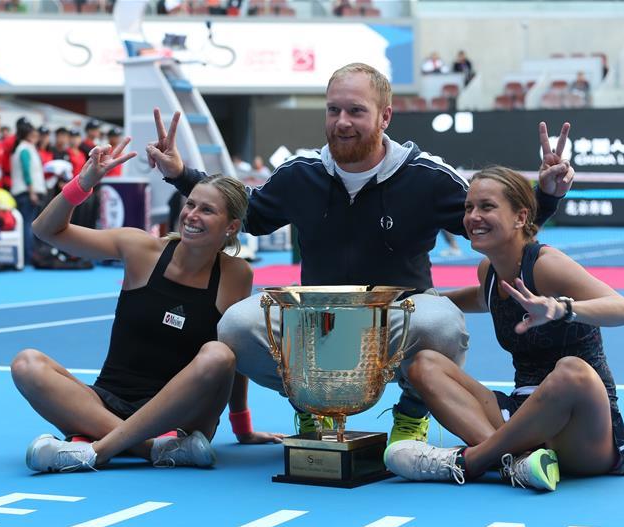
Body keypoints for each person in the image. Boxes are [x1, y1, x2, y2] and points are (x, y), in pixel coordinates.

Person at [146, 62, 574, 444]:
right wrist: (181, 175)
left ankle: (412, 414)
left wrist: (546, 196)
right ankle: (309, 405)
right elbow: (250, 215)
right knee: (236, 325)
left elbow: (497, 226)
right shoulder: (300, 174)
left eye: (355, 111)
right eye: (333, 110)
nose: (342, 122)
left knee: (441, 323)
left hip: (399, 316)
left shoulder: (426, 176)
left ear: (385, 116)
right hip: (317, 321)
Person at [16, 139, 283, 472]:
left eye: (207, 210)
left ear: (231, 227)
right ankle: (151, 449)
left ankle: (93, 449)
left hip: (182, 417)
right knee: (26, 364)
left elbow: (237, 359)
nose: (192, 215)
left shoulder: (236, 274)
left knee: (220, 355)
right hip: (106, 402)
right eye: (191, 204)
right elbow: (45, 231)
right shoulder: (139, 249)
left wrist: (242, 427)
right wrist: (83, 183)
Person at [384, 166, 624, 491]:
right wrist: (415, 301)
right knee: (424, 365)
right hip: (519, 414)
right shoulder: (489, 271)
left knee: (572, 370)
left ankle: (469, 462)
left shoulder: (545, 265)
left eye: (487, 207)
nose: (473, 217)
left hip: (583, 429)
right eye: (469, 207)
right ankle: (515, 463)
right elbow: (481, 298)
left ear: (520, 217)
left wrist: (561, 309)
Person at [10, 123, 46, 265]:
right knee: (27, 225)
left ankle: (28, 256)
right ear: (29, 135)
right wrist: (31, 191)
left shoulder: (25, 148)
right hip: (26, 192)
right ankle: (29, 256)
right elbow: (27, 172)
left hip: (26, 191)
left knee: (27, 224)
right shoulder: (24, 149)